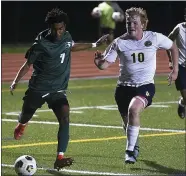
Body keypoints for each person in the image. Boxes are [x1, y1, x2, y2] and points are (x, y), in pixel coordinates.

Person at [9, 8, 108, 170]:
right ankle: (22, 124)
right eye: (55, 29)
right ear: (50, 28)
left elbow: (71, 46)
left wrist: (95, 44)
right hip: (38, 88)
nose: (58, 33)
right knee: (26, 114)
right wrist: (15, 81)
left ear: (64, 27)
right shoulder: (40, 43)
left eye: (61, 29)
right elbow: (28, 65)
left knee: (65, 116)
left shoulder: (67, 37)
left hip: (58, 90)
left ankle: (59, 157)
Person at [94, 7, 178, 164]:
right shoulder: (119, 42)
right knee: (128, 122)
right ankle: (135, 146)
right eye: (128, 22)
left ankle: (129, 151)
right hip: (123, 89)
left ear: (143, 24)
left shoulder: (154, 37)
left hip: (144, 86)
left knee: (134, 110)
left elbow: (172, 46)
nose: (131, 25)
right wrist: (98, 61)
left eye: (134, 22)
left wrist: (175, 69)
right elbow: (104, 65)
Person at [167, 8, 186, 119]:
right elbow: (168, 41)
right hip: (180, 66)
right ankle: (182, 102)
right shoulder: (179, 28)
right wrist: (170, 60)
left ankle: (182, 103)